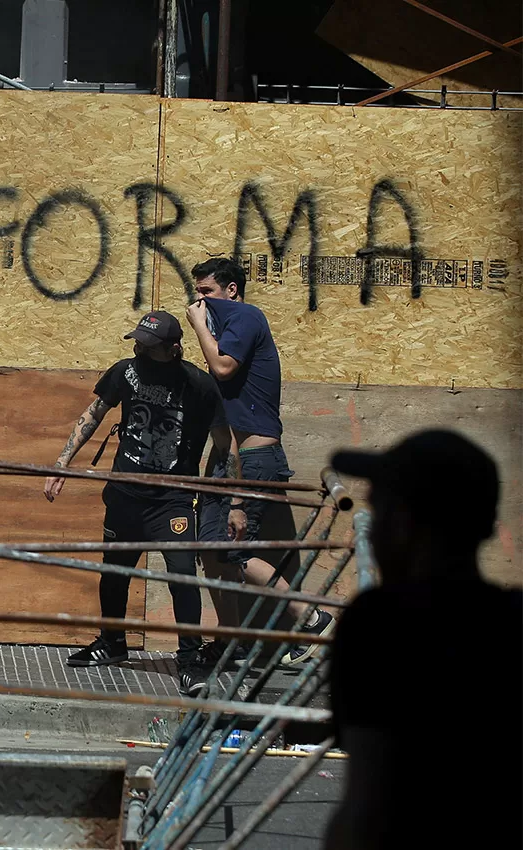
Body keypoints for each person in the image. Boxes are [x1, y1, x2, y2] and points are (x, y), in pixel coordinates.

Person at [324, 430, 521, 849]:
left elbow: (366, 812)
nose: (371, 535)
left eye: (378, 513)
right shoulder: (512, 623)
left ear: (406, 525)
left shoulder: (380, 625)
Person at [45, 311, 231, 696]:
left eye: (146, 345)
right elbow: (93, 414)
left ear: (171, 348)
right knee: (113, 573)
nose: (137, 348)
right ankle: (112, 643)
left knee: (181, 577)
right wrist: (62, 462)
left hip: (173, 500)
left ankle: (190, 660)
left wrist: (217, 492)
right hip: (125, 494)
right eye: (136, 342)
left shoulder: (198, 385)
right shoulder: (126, 372)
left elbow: (224, 443)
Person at [185, 257, 330, 665]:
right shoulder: (226, 327)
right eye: (196, 293)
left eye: (206, 292)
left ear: (231, 290)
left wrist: (197, 324)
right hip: (228, 458)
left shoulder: (247, 316)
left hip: (254, 457)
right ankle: (234, 642)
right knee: (212, 554)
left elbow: (224, 367)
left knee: (234, 551)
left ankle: (311, 617)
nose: (198, 302)